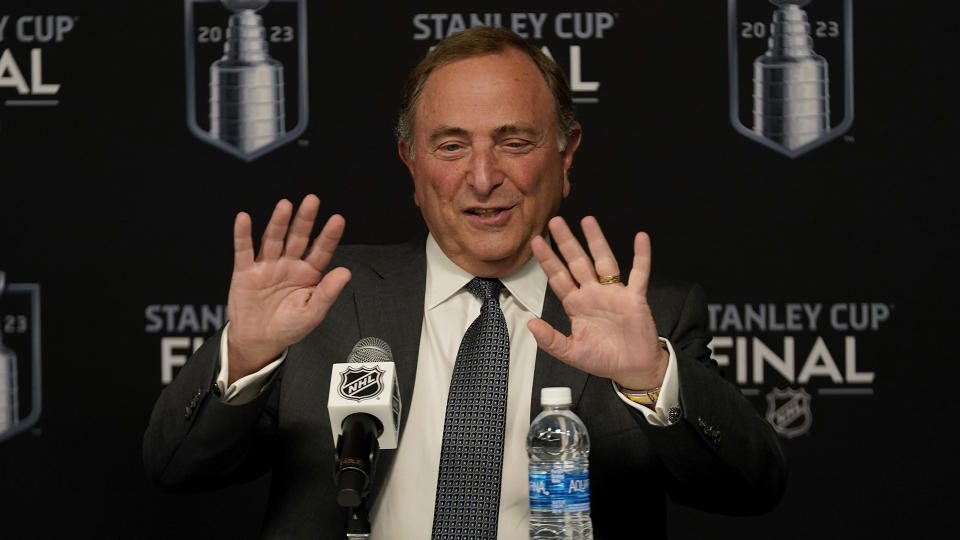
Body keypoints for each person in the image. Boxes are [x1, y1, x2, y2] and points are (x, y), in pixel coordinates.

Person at [144, 27, 786, 539]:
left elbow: (750, 489)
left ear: (566, 157)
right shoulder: (322, 305)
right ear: (412, 162)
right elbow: (176, 470)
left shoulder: (655, 317)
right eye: (451, 146)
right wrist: (248, 357)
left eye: (514, 141)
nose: (483, 177)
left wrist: (648, 379)